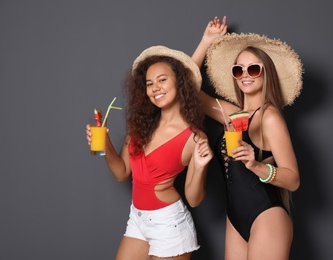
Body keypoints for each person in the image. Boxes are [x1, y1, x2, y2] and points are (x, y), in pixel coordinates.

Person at [86, 45, 213, 259]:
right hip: (138, 218)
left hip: (169, 225)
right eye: (149, 83)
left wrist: (200, 167)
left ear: (179, 82)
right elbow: (121, 172)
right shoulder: (141, 126)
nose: (155, 88)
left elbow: (194, 199)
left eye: (162, 80)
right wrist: (105, 143)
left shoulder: (193, 137)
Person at [191, 17, 303, 259]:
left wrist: (256, 166)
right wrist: (206, 41)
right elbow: (187, 91)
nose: (245, 75)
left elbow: (293, 180)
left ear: (266, 73)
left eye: (253, 69)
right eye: (238, 69)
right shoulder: (232, 114)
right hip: (235, 218)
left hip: (267, 216)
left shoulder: (270, 117)